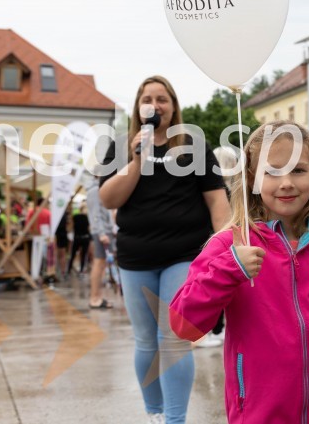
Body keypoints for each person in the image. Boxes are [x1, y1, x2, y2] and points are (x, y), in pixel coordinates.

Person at [169, 120, 309, 424]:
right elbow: (184, 325)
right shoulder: (230, 245)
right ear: (252, 178)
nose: (286, 182)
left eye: (298, 170)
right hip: (258, 413)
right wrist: (229, 269)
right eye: (272, 171)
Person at [99, 75, 229, 424]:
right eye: (147, 99)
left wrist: (223, 247)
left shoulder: (193, 145)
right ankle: (154, 413)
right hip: (136, 257)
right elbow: (108, 198)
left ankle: (175, 419)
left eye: (162, 99)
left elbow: (217, 202)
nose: (154, 106)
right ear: (138, 107)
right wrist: (137, 161)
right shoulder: (121, 146)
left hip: (184, 254)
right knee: (145, 340)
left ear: (173, 107)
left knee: (173, 337)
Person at [193, 146, 239, 348]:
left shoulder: (212, 188)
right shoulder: (226, 190)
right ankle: (213, 330)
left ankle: (213, 330)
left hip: (208, 240)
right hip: (216, 241)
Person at [86, 178, 115, 309]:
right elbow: (95, 214)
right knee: (99, 263)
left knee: (101, 264)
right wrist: (102, 233)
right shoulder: (94, 190)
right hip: (101, 233)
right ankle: (94, 298)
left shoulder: (100, 188)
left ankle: (97, 296)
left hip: (105, 231)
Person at [68, 203, 92, 274]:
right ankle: (81, 269)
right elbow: (89, 229)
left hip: (77, 238)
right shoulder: (87, 217)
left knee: (73, 254)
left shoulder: (75, 217)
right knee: (83, 255)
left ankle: (69, 269)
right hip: (85, 238)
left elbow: (70, 228)